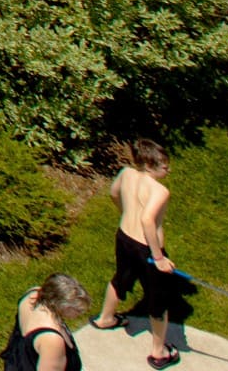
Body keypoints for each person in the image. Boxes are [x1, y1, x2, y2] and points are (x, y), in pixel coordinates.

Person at [95, 140, 185, 366]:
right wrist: (159, 258)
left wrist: (125, 212)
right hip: (146, 248)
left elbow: (113, 193)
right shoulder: (160, 191)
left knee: (121, 277)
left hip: (124, 237)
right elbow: (147, 220)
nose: (169, 170)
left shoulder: (125, 173)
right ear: (149, 164)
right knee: (159, 299)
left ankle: (105, 319)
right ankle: (159, 352)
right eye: (165, 166)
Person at [3, 273, 91, 371]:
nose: (79, 314)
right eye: (77, 310)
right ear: (62, 306)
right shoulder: (52, 340)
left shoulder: (32, 293)